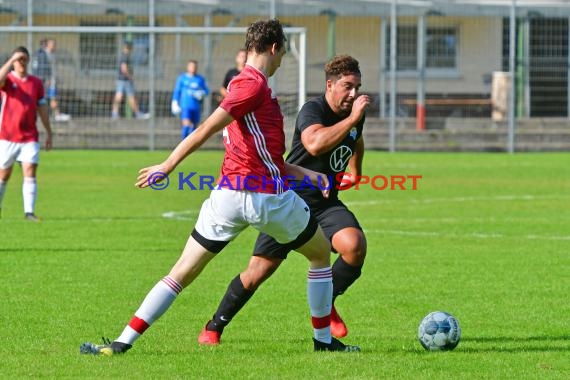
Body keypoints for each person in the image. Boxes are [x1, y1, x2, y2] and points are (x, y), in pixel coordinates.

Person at [80, 19, 360, 356]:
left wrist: (306, 173)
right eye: (284, 53)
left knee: (181, 273)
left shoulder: (253, 88)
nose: (284, 60)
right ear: (273, 48)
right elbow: (204, 129)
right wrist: (166, 166)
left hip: (227, 198)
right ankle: (324, 343)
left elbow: (266, 156)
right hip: (265, 198)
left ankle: (122, 343)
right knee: (318, 255)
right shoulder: (251, 86)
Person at [197, 55, 371, 345]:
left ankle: (327, 307)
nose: (353, 94)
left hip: (326, 203)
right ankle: (213, 327)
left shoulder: (354, 114)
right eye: (347, 86)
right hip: (288, 201)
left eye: (357, 87)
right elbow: (314, 144)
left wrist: (357, 170)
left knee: (354, 247)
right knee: (257, 273)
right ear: (330, 85)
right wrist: (353, 118)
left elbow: (356, 137)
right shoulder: (312, 110)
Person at [0, 46, 53, 221]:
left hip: (30, 136)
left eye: (24, 59)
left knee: (30, 170)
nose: (21, 63)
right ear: (13, 62)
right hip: (7, 136)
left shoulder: (36, 83)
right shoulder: (7, 80)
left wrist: (49, 132)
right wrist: (11, 59)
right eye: (18, 59)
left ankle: (29, 212)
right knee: (3, 175)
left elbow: (43, 108)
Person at [32, 38, 71, 122]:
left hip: (51, 80)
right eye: (52, 44)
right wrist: (47, 78)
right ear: (48, 45)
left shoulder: (51, 54)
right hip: (48, 80)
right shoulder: (43, 54)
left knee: (50, 97)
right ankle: (57, 114)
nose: (54, 46)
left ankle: (54, 114)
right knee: (50, 97)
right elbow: (42, 68)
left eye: (55, 44)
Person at [171, 60, 210, 139]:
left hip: (196, 107)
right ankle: (183, 143)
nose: (193, 68)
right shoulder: (182, 78)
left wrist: (201, 93)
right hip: (185, 106)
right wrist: (174, 102)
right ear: (188, 67)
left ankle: (190, 147)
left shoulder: (200, 79)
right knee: (186, 125)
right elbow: (177, 91)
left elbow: (206, 91)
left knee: (194, 128)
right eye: (191, 66)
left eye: (195, 67)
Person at [111, 41, 150, 120]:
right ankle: (138, 114)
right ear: (130, 48)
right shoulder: (125, 56)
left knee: (119, 96)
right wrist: (130, 77)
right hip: (125, 80)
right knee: (131, 96)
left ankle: (114, 113)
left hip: (120, 79)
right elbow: (124, 68)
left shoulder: (122, 55)